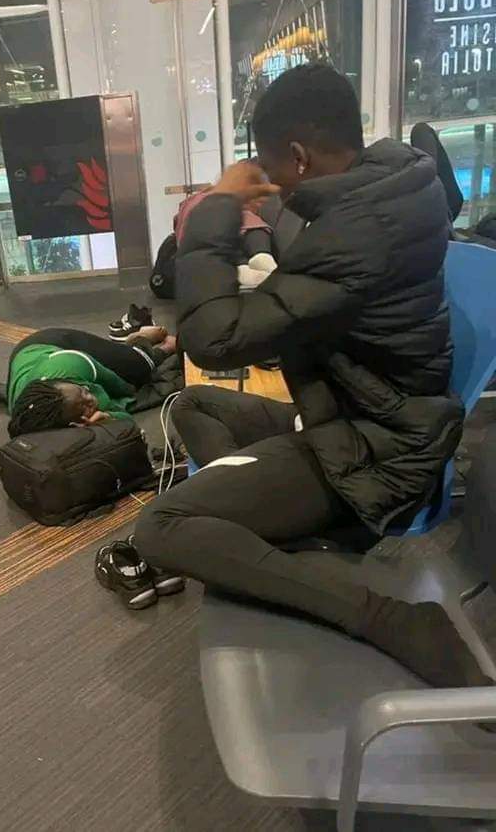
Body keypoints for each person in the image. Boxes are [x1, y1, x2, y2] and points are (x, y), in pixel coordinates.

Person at [100, 63, 493, 691]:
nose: (272, 180)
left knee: (162, 528)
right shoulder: (386, 186)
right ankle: (276, 532)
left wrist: (217, 207)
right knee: (192, 406)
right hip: (348, 414)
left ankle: (389, 617)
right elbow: (305, 260)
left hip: (378, 451)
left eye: (273, 166)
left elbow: (214, 337)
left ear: (300, 157)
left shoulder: (359, 233)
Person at [0, 326, 178, 436]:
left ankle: (144, 339)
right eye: (84, 405)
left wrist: (109, 409)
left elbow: (126, 391)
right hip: (28, 366)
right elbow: (120, 417)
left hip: (54, 344)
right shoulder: (31, 417)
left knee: (139, 370)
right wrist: (108, 418)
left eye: (85, 392)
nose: (90, 397)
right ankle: (5, 391)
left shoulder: (74, 365)